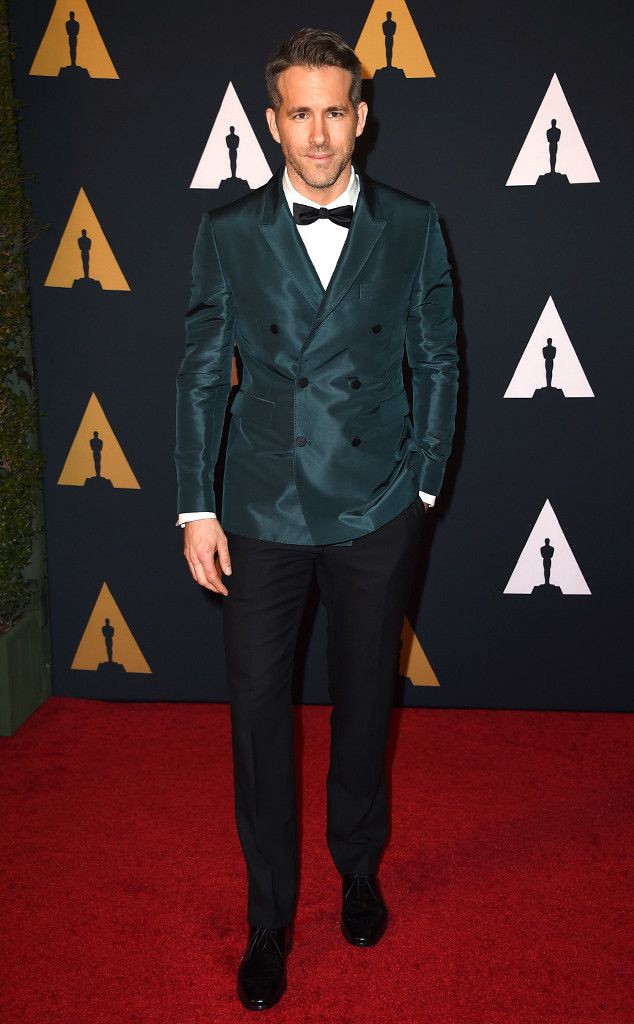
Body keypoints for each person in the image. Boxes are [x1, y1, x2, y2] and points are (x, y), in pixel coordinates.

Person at [174, 26, 459, 1011]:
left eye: (336, 110)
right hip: (261, 508)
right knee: (258, 716)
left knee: (365, 702)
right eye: (301, 113)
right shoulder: (228, 231)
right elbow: (201, 374)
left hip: (377, 504)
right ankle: (267, 918)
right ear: (273, 122)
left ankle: (359, 867)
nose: (320, 132)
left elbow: (438, 357)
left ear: (361, 117)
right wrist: (195, 505)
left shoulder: (413, 223)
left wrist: (423, 487)